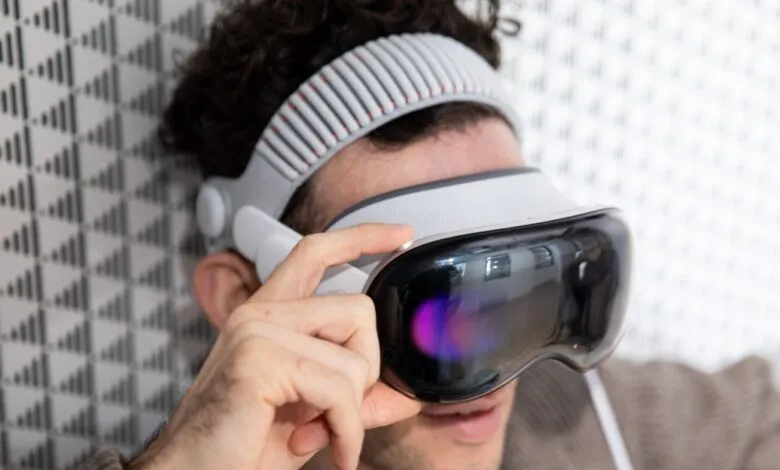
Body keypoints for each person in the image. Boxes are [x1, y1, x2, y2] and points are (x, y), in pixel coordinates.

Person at [79, 1, 780, 469]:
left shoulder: (597, 423)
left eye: (513, 277)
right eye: (438, 300)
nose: (494, 370)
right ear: (243, 297)